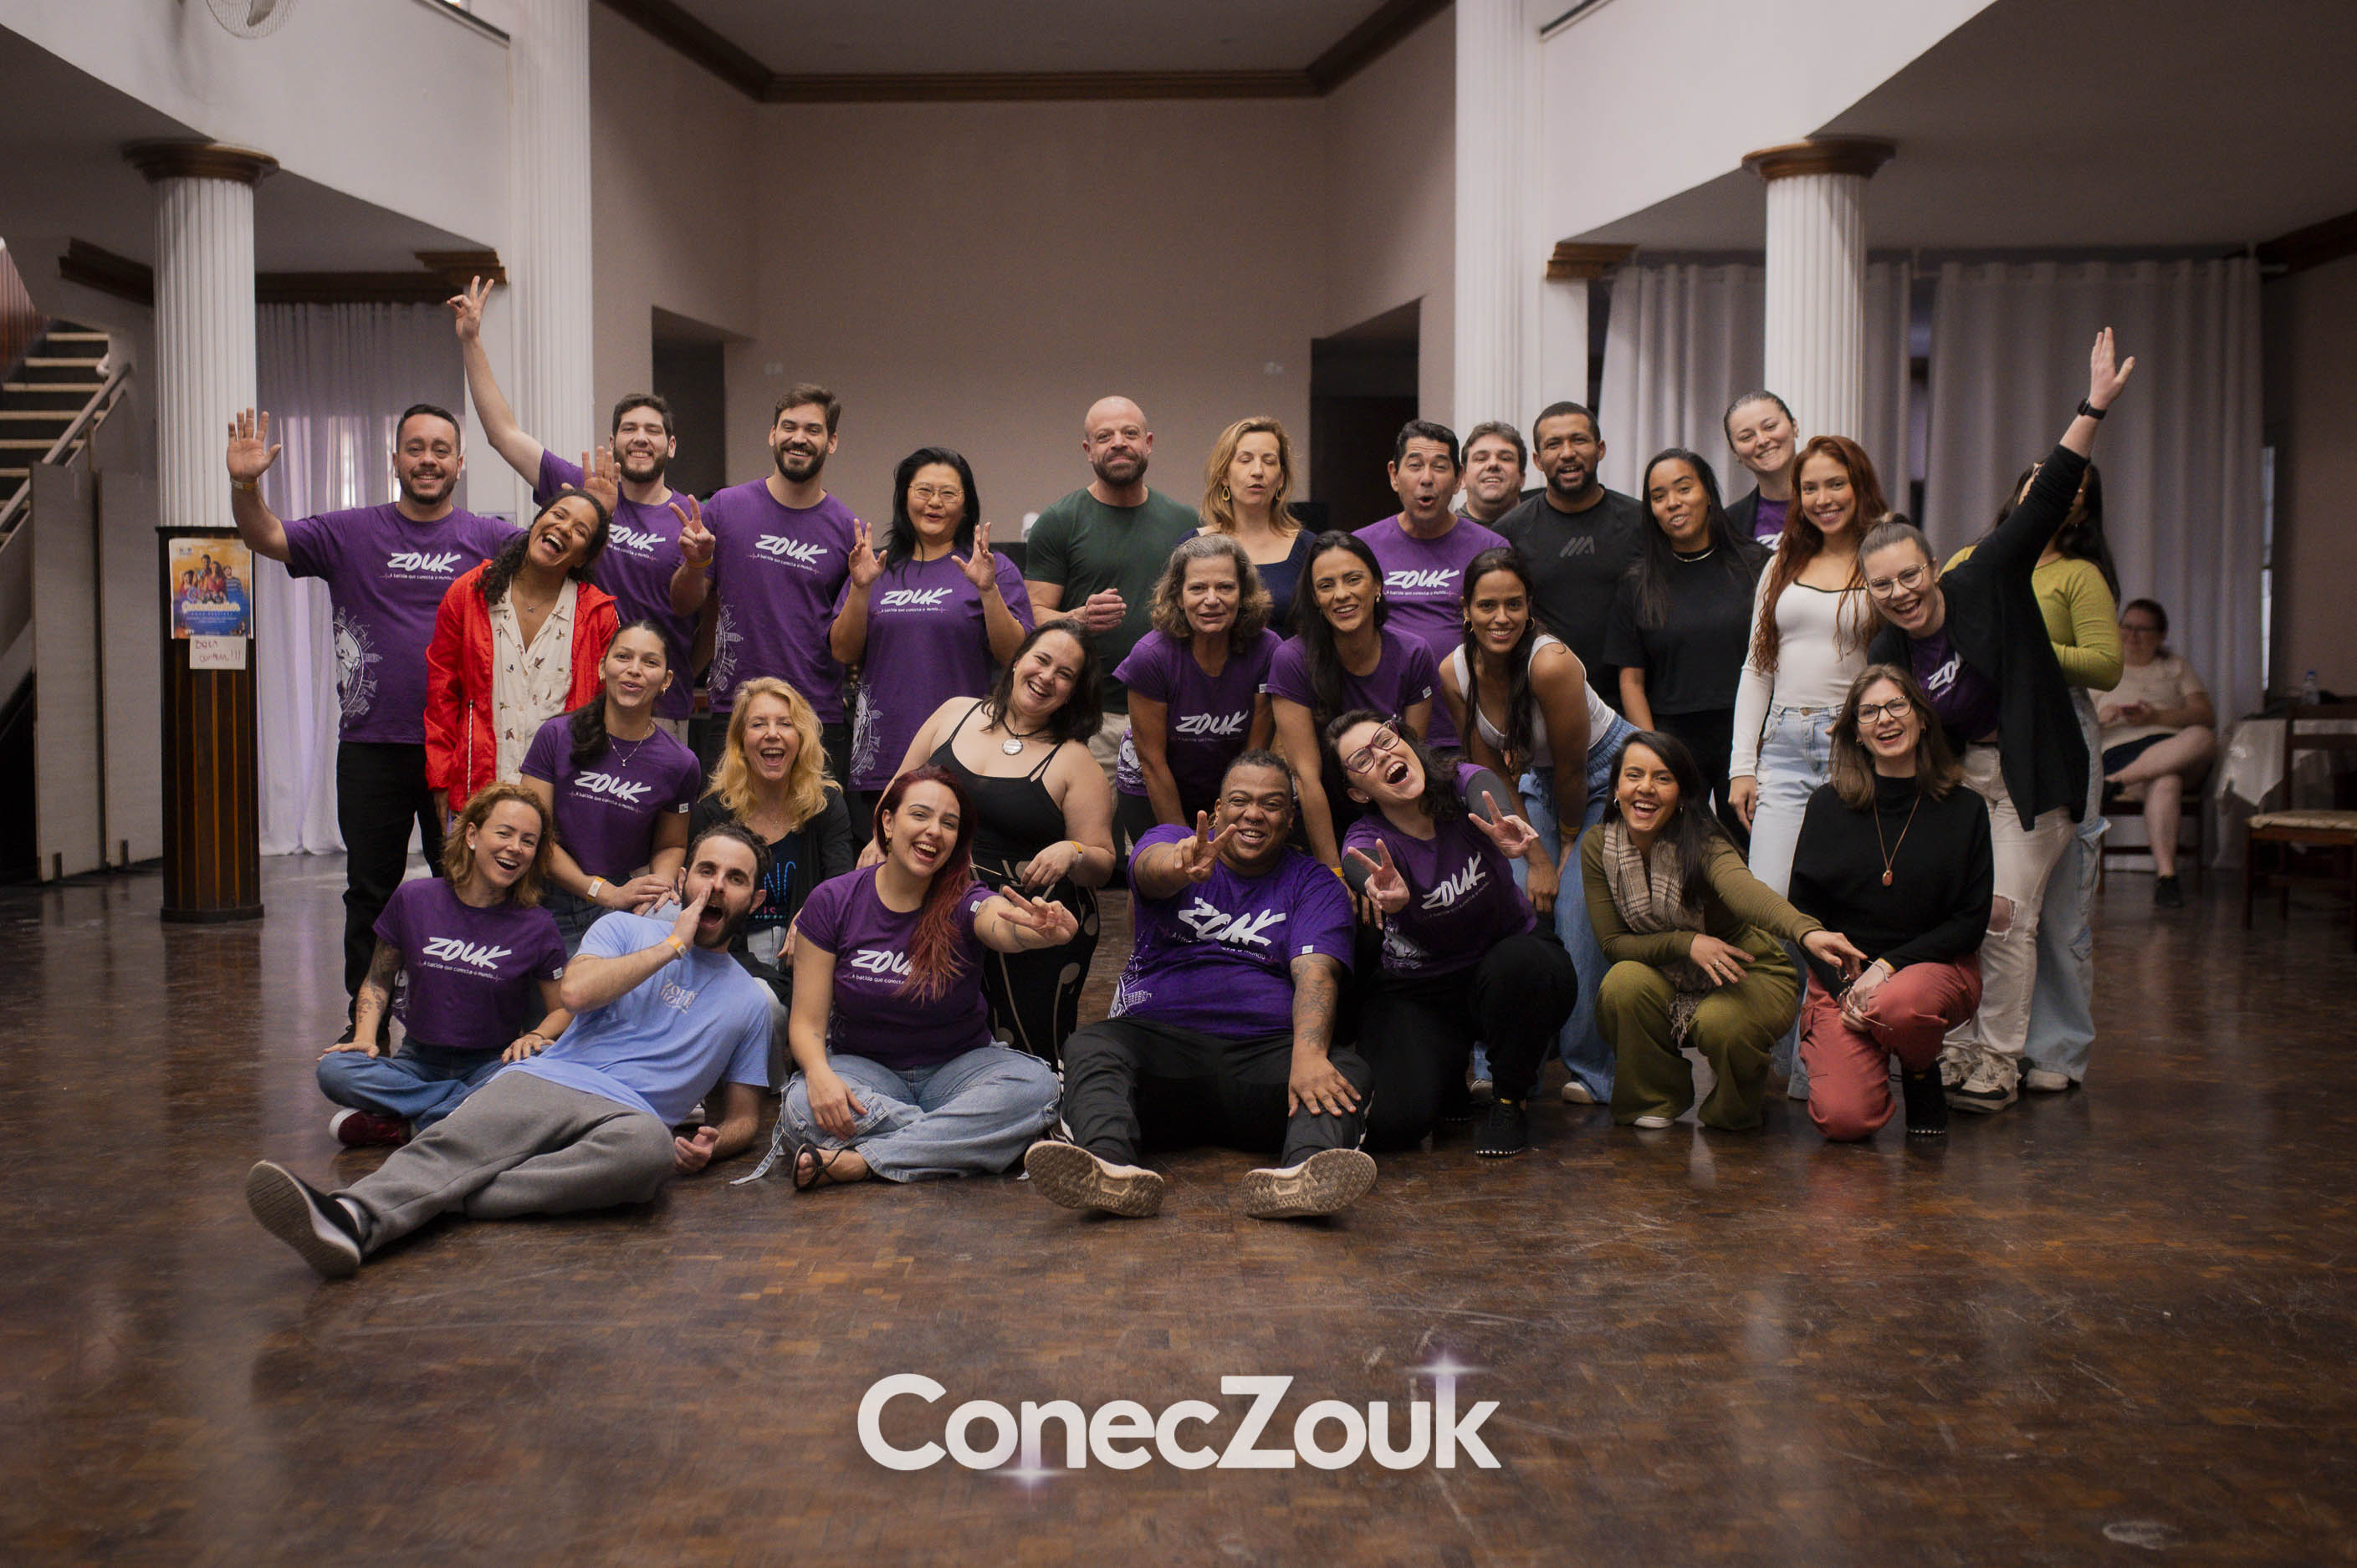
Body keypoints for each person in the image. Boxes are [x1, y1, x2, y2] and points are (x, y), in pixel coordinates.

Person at [244, 824, 777, 1279]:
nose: (716, 886)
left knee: (650, 1154)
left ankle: (438, 1197)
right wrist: (672, 945)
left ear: (754, 901)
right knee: (452, 1147)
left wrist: (712, 1147)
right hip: (553, 1080)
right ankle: (350, 1216)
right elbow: (575, 994)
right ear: (683, 879)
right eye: (706, 870)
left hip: (633, 1121)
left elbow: (744, 1118)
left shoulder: (750, 1002)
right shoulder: (623, 928)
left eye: (735, 879)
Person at [1860, 327, 2135, 1113]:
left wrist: (2092, 407)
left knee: (2007, 918)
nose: (1902, 593)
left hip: (2029, 777)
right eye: (1883, 585)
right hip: (1961, 786)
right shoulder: (1889, 646)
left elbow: (2045, 497)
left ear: (1932, 566)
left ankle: (1998, 1059)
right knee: (1959, 920)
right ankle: (1954, 1045)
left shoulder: (1982, 577)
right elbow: (1882, 727)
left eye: (1909, 575)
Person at [227, 404, 516, 1043]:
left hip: (462, 750)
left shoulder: (491, 540)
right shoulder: (350, 532)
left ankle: (463, 1020)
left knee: (468, 888)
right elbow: (265, 536)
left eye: (440, 449)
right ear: (395, 459)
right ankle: (367, 1024)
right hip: (371, 747)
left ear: (460, 463)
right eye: (415, 447)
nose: (428, 459)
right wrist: (245, 485)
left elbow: (562, 564)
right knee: (370, 893)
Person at [1024, 751, 1376, 1220]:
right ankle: (1109, 1169)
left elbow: (1316, 972)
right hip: (1160, 1052)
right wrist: (1178, 866)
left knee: (1344, 1069)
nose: (1254, 814)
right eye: (1240, 801)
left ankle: (1303, 1176)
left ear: (1291, 819)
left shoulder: (1314, 882)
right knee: (1092, 1047)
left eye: (1272, 804)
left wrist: (1309, 1056)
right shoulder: (1171, 841)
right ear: (1217, 808)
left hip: (1265, 1061)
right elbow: (1149, 871)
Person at [774, 768, 1070, 1188]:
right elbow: (806, 1023)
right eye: (920, 815)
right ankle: (967, 1139)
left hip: (959, 1068)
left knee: (1036, 1088)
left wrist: (1036, 932)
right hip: (863, 1069)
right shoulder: (833, 900)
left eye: (949, 824)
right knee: (802, 1106)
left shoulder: (966, 899)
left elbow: (1000, 923)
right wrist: (820, 1076)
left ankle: (864, 1161)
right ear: (888, 822)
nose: (934, 831)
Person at [450, 277, 699, 738]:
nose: (640, 438)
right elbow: (503, 434)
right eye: (629, 429)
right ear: (613, 441)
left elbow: (706, 614)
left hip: (660, 706)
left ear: (671, 445)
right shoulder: (578, 496)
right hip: (573, 696)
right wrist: (472, 341)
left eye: (652, 430)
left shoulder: (692, 518)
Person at [1583, 733, 1864, 1131]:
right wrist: (1687, 943)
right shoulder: (1599, 845)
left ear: (1682, 795)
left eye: (1662, 778)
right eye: (1634, 775)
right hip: (1668, 971)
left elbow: (1748, 893)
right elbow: (1614, 945)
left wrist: (1806, 933)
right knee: (1622, 983)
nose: (1645, 788)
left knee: (1721, 1022)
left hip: (1748, 968)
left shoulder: (1705, 842)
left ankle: (1734, 1108)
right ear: (1616, 788)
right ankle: (1653, 1098)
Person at [1436, 546, 1634, 1106]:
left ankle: (1591, 1070)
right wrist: (1534, 856)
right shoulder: (1453, 672)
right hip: (1536, 784)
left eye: (1514, 604)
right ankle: (1498, 1063)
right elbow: (1491, 774)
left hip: (1607, 777)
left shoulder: (1550, 663)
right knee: (1510, 895)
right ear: (1465, 609)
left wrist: (1564, 848)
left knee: (1575, 911)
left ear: (1530, 607)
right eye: (1487, 605)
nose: (1501, 617)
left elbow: (1574, 770)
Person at [1330, 713, 1577, 1157]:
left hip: (1502, 968)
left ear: (1404, 741)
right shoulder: (1367, 838)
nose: (1382, 754)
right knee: (1394, 1125)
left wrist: (1501, 820)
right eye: (1362, 759)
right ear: (1358, 792)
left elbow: (1482, 786)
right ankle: (1446, 1078)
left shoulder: (1455, 780)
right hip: (1419, 989)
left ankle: (1509, 1100)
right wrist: (1376, 888)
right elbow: (1357, 861)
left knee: (1527, 965)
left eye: (1384, 739)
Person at [1950, 462, 2123, 1090]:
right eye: (2045, 479)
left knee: (2059, 906)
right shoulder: (1968, 559)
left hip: (2058, 731)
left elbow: (2105, 666)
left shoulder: (2078, 574)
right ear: (2023, 489)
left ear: (2081, 511)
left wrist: (2022, 646)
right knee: (1986, 900)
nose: (2056, 492)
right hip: (1978, 734)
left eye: (2075, 490)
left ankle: (2056, 1052)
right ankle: (1971, 1042)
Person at [887, 620, 1115, 1063]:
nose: (1046, 677)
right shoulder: (953, 714)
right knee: (928, 1039)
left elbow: (1103, 863)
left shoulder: (1075, 761)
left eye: (1064, 675)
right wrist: (880, 844)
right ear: (1017, 661)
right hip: (934, 903)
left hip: (1034, 921)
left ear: (1073, 693)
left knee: (1025, 1050)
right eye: (1041, 660)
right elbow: (897, 793)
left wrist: (1073, 852)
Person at [1787, 668, 1993, 1142]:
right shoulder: (1827, 806)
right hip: (1843, 980)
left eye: (1897, 705)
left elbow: (1970, 922)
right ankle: (1884, 1043)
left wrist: (1885, 968)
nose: (1885, 719)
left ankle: (1919, 1068)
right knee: (1844, 1120)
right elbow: (1805, 917)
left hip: (1933, 971)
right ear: (1856, 733)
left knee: (1896, 1004)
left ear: (1922, 718)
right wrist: (1845, 988)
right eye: (1869, 712)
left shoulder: (1965, 809)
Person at [315, 783, 571, 1147]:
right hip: (416, 1063)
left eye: (528, 841)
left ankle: (404, 1126)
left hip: (492, 1063)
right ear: (472, 835)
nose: (516, 847)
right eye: (504, 833)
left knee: (543, 1070)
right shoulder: (414, 899)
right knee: (334, 1070)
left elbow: (562, 1008)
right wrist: (365, 1038)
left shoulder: (539, 925)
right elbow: (377, 979)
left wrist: (535, 1036)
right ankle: (460, 1112)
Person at [670, 385, 860, 780]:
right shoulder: (726, 507)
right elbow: (684, 603)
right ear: (772, 434)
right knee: (725, 822)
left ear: (832, 441)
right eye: (789, 427)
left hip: (814, 716)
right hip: (735, 710)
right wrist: (695, 563)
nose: (799, 438)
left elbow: (846, 646)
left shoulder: (847, 529)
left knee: (812, 823)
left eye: (813, 430)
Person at [833, 447, 1031, 821]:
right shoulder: (875, 568)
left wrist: (988, 591)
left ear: (967, 504)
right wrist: (860, 589)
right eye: (923, 490)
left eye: (948, 493)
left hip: (961, 753)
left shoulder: (993, 568)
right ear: (904, 498)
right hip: (881, 755)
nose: (934, 502)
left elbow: (1015, 657)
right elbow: (843, 652)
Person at [1022, 396, 1205, 793]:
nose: (1119, 443)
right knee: (1096, 828)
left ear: (1148, 443)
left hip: (1173, 710)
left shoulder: (1185, 522)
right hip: (1093, 715)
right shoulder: (1059, 521)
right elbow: (1030, 616)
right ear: (1088, 450)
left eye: (1130, 433)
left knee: (1173, 823)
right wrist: (1078, 619)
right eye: (1105, 436)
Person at [1607, 450, 1770, 845]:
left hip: (1749, 733)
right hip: (1674, 739)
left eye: (1684, 489)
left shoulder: (1758, 565)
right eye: (1659, 496)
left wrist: (1760, 743)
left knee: (1752, 850)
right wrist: (1652, 752)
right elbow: (1631, 680)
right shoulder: (1638, 581)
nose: (1673, 503)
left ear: (1708, 493)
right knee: (1678, 855)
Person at [423, 488, 617, 816]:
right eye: (558, 515)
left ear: (582, 557)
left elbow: (605, 713)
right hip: (478, 795)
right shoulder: (471, 592)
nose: (564, 528)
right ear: (537, 521)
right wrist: (440, 778)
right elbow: (442, 694)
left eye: (580, 530)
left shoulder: (598, 615)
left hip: (560, 802)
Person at [519, 623, 703, 952]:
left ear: (666, 680)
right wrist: (602, 892)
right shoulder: (556, 736)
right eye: (623, 657)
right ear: (603, 667)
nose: (634, 670)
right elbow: (533, 835)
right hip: (546, 896)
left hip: (623, 901)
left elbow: (671, 844)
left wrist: (658, 888)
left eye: (649, 662)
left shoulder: (680, 763)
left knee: (667, 918)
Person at [689, 677, 857, 1034]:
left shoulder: (826, 805)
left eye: (785, 724)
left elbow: (842, 886)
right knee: (765, 1007)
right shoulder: (713, 812)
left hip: (810, 950)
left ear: (801, 739)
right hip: (731, 953)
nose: (772, 734)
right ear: (740, 740)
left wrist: (812, 915)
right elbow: (704, 907)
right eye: (758, 724)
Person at [1266, 532, 1437, 868]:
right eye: (1326, 585)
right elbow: (1306, 778)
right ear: (1315, 598)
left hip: (1391, 809)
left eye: (1353, 579)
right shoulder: (1292, 660)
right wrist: (1335, 872)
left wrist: (1404, 855)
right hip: (1321, 819)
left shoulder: (1413, 653)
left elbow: (1410, 764)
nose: (1341, 594)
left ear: (1377, 585)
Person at [1112, 534, 1280, 849]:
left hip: (1232, 784)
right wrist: (1187, 843)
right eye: (1198, 588)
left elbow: (1253, 758)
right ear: (1178, 596)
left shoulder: (1267, 650)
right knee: (1170, 868)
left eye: (1225, 587)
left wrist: (1227, 822)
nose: (1212, 599)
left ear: (1243, 593)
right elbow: (1152, 762)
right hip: (1153, 785)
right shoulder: (1150, 656)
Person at [1355, 421, 1504, 748]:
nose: (1426, 478)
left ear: (1459, 478)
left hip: (1467, 729)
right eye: (1415, 466)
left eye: (1439, 467)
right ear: (1394, 475)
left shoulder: (1491, 549)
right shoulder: (1361, 548)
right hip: (1378, 732)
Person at [1493, 401, 1647, 692]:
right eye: (1553, 445)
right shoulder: (1509, 531)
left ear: (1600, 449)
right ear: (1538, 460)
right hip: (1543, 694)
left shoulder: (1641, 521)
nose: (1567, 453)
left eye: (1579, 440)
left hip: (1632, 692)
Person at [2100, 598, 2216, 907]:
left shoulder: (2175, 666)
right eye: (2126, 627)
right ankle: (2167, 877)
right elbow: (2071, 724)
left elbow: (2206, 714)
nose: (2132, 635)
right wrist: (2101, 718)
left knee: (2203, 737)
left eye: (2142, 629)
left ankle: (2113, 783)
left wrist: (2156, 717)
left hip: (2173, 747)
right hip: (2122, 752)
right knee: (2167, 781)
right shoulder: (2103, 667)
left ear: (2161, 635)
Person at [1198, 416, 1313, 636]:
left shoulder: (1308, 548)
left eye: (1269, 461)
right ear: (1224, 475)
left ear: (1281, 478)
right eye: (1245, 460)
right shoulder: (1194, 545)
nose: (1258, 471)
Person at [1722, 391, 1800, 549]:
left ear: (1794, 426)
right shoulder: (1728, 524)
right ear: (1735, 452)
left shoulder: (1836, 501)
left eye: (1770, 427)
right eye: (1747, 437)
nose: (1762, 441)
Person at [1460, 421, 1530, 526]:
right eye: (1481, 459)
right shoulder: (1442, 532)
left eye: (1505, 458)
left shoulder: (1543, 529)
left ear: (1522, 478)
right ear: (1462, 478)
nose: (1493, 464)